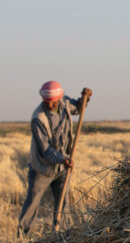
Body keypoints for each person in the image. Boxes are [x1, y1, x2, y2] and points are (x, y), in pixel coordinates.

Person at [18, 81, 92, 235]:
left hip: (62, 168)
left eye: (53, 100)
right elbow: (45, 149)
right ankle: (22, 236)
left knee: (63, 204)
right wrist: (62, 159)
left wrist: (85, 98)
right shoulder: (38, 118)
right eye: (47, 101)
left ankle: (61, 236)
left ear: (59, 97)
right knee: (32, 202)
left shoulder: (64, 103)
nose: (50, 103)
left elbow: (79, 108)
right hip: (42, 168)